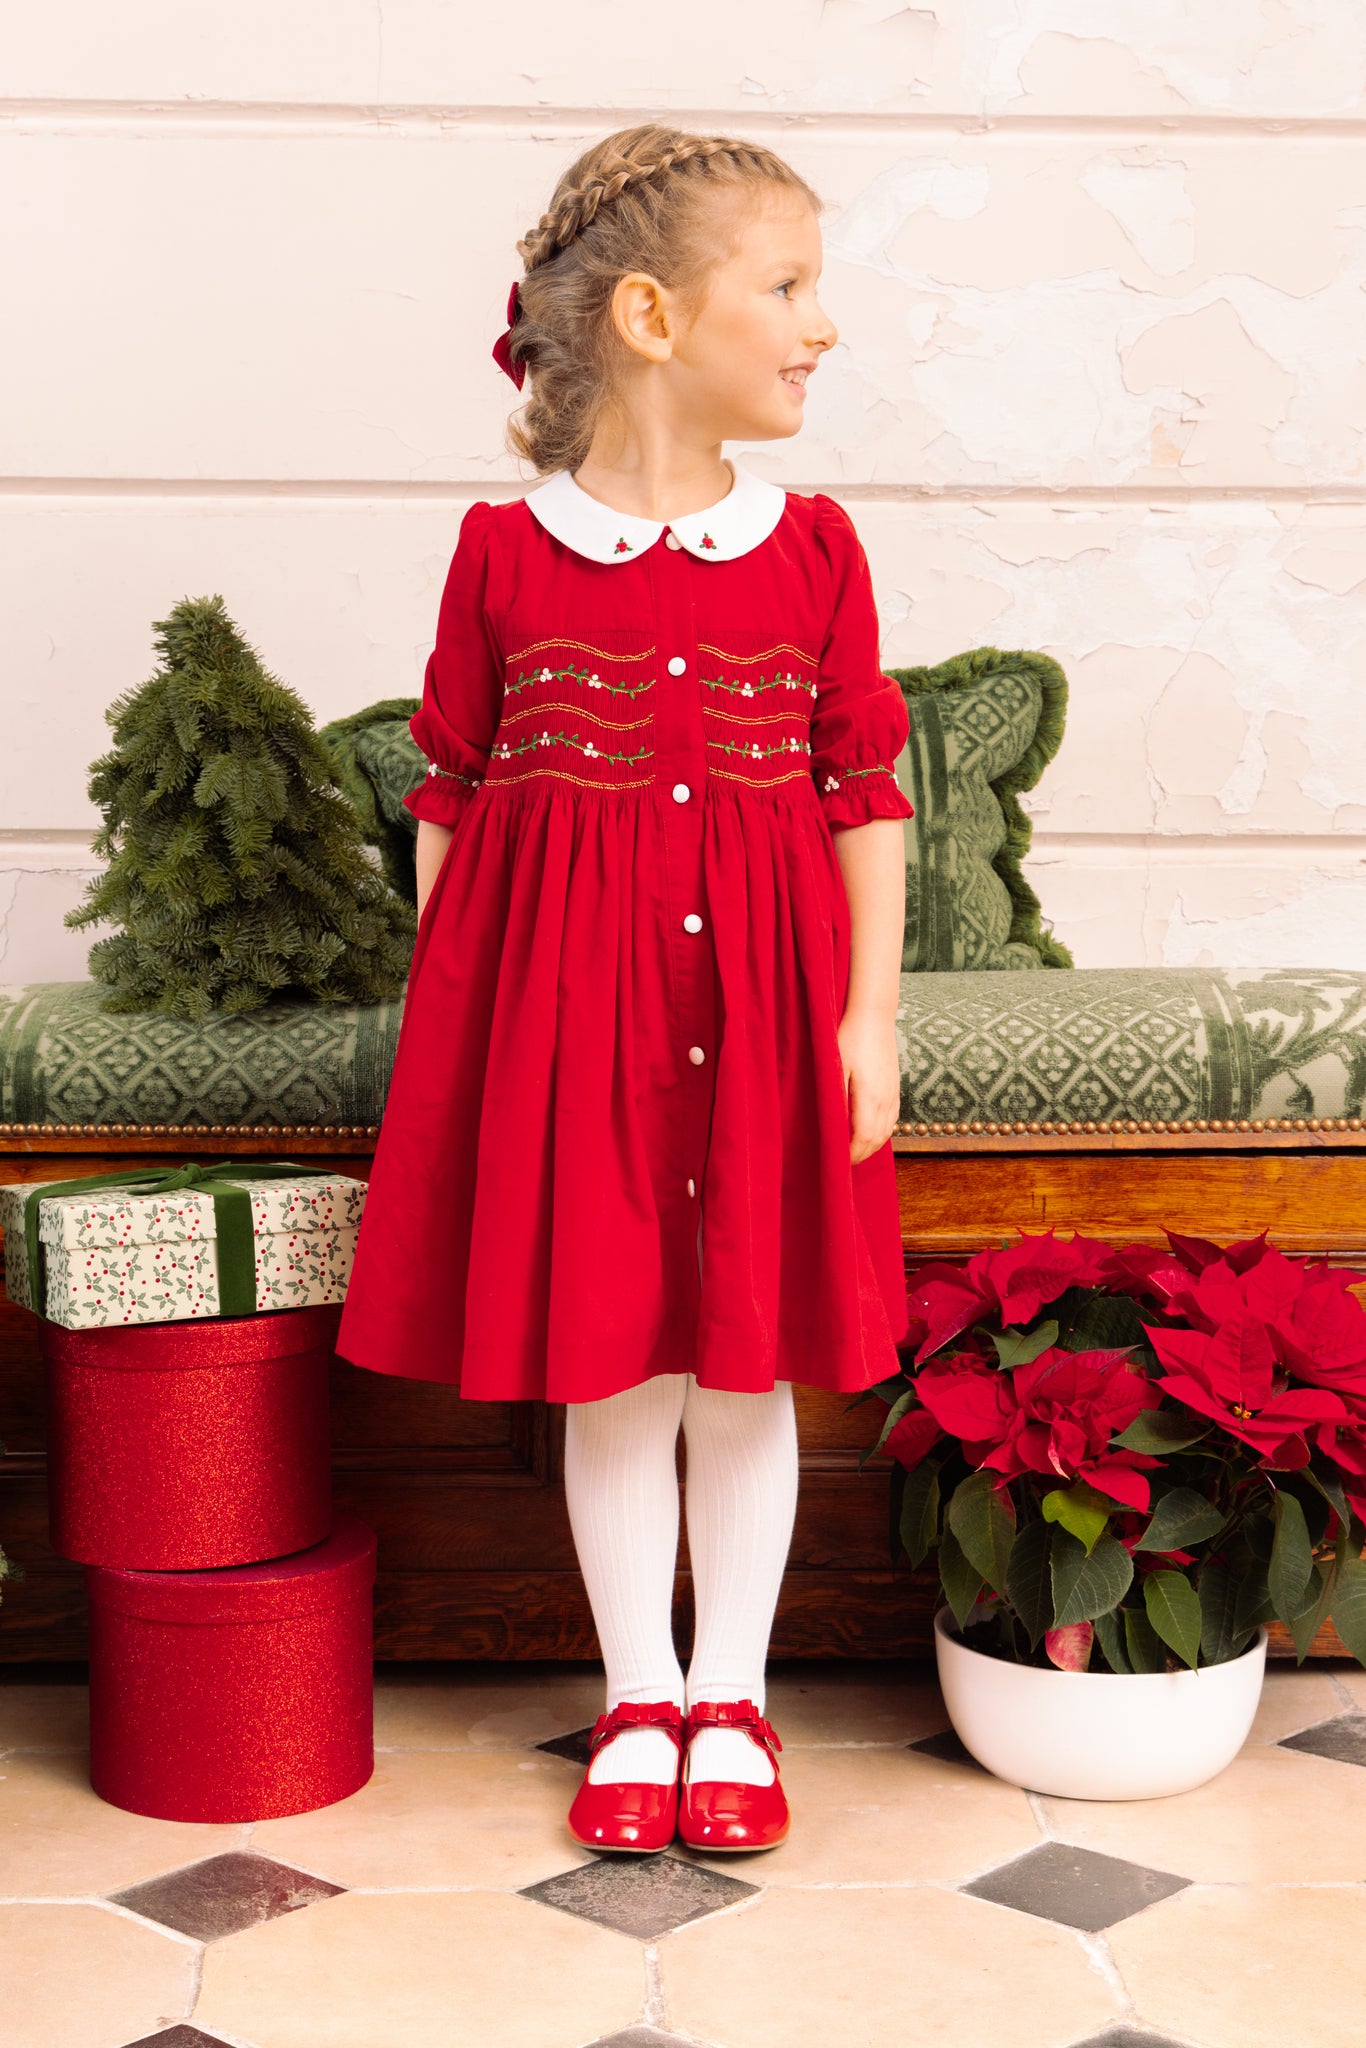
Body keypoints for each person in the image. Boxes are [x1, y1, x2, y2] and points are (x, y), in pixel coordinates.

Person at [337, 122, 914, 1856]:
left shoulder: (812, 549)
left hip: (764, 1030)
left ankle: (730, 1698)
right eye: (787, 286)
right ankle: (639, 1696)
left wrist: (866, 1019)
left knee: (742, 1368)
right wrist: (466, 1042)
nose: (822, 324)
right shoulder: (502, 556)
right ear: (653, 317)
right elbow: (451, 800)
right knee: (611, 1371)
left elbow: (861, 791)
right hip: (572, 1041)